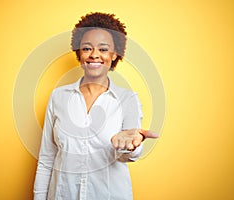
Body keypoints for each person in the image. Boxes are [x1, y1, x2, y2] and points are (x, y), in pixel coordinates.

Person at [33, 12, 159, 200]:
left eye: (103, 49)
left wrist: (130, 145)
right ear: (79, 52)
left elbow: (130, 154)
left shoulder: (127, 100)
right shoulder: (58, 97)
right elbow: (47, 158)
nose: (94, 55)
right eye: (87, 48)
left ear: (115, 53)